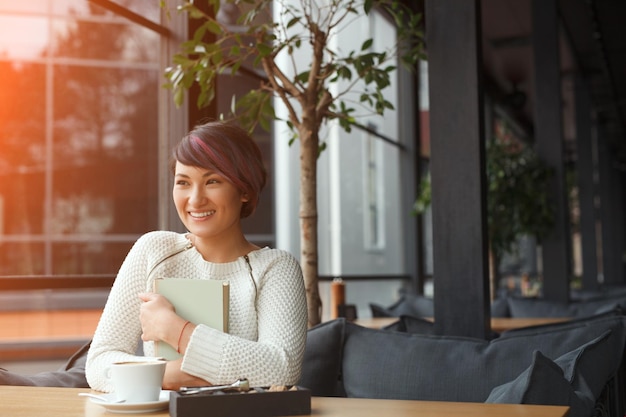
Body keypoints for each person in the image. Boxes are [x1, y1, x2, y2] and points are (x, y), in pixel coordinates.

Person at [85, 121, 308, 392]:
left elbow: (281, 369)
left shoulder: (276, 268)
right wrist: (173, 376)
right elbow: (99, 364)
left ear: (245, 190)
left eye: (212, 181)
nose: (195, 199)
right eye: (183, 182)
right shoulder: (153, 250)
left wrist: (174, 329)